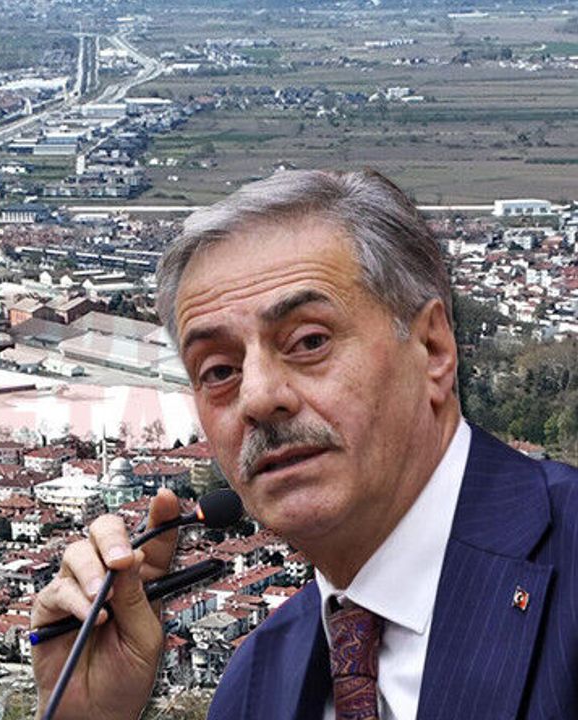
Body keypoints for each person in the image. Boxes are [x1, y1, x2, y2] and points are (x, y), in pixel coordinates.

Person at [30, 169, 578, 720]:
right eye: (218, 370)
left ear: (433, 350)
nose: (258, 397)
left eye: (309, 341)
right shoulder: (254, 685)